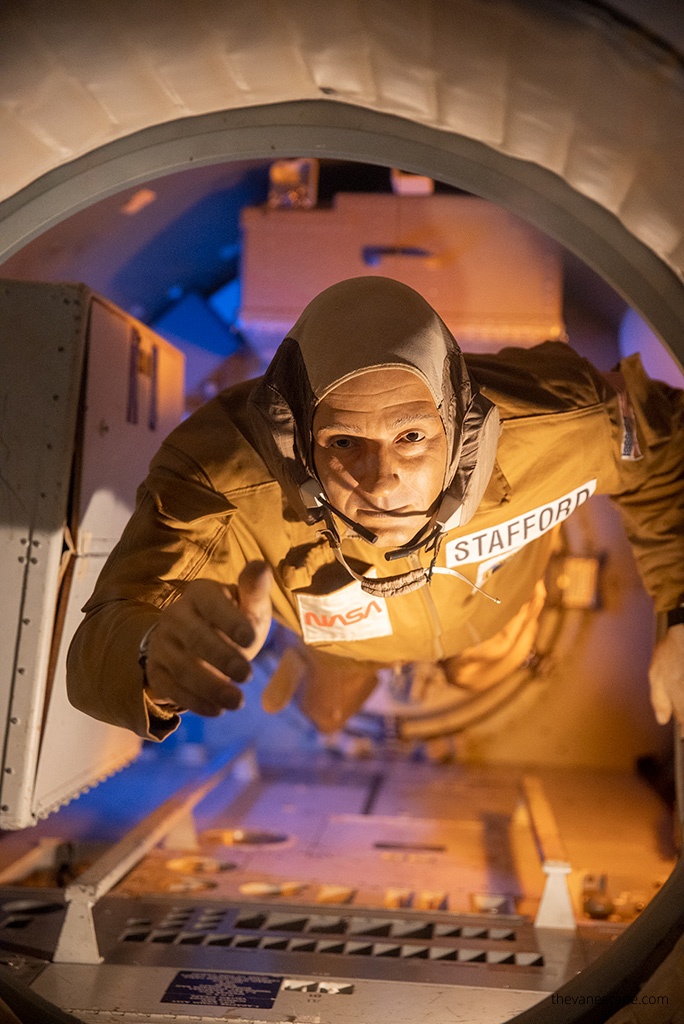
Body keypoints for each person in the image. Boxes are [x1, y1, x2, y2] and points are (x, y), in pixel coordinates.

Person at [66, 276, 684, 741]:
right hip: (344, 640)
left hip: (496, 607)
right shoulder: (219, 477)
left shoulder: (559, 419)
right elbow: (101, 641)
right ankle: (318, 666)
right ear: (298, 437)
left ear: (458, 424)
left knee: (476, 671)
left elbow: (666, 450)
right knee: (325, 716)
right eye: (343, 443)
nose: (381, 483)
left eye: (412, 438)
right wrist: (151, 655)